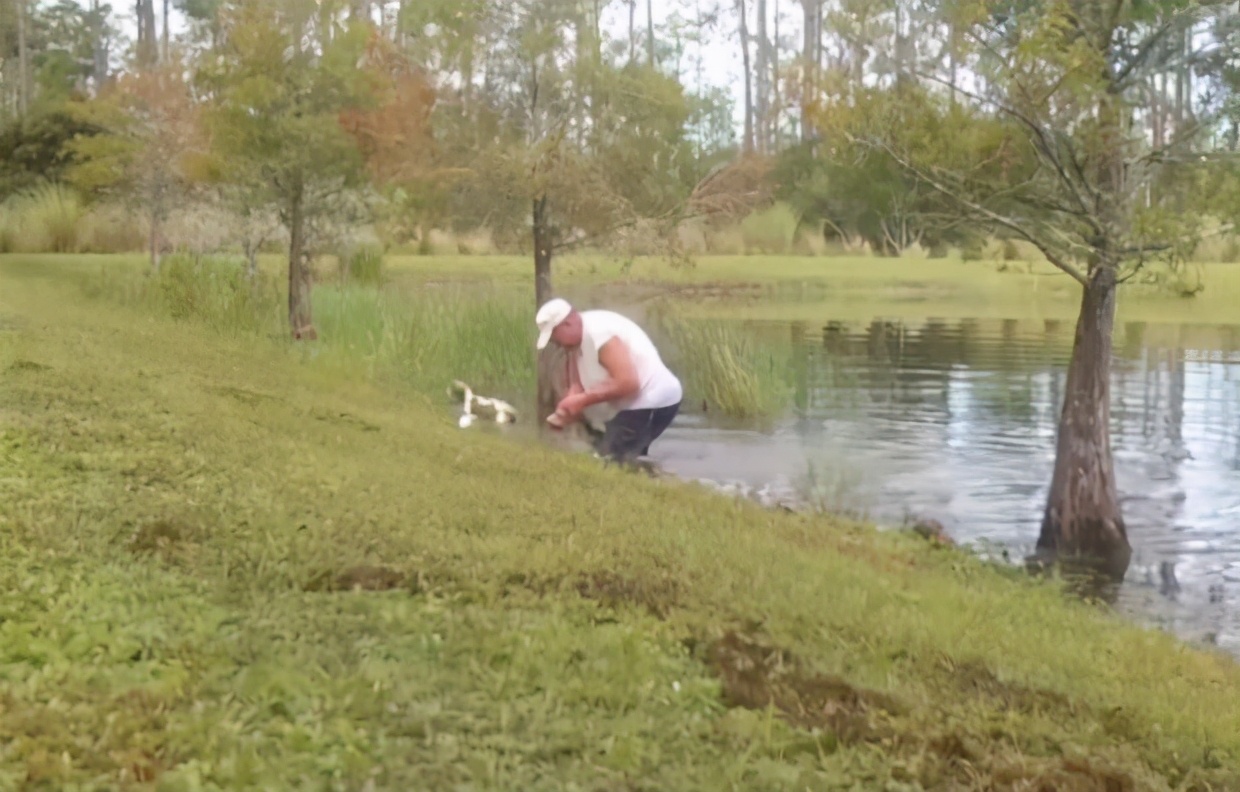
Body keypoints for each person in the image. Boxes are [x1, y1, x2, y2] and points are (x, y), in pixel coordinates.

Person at [535, 297, 682, 463]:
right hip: (627, 406)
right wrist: (569, 405)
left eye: (554, 335)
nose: (556, 343)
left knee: (612, 461)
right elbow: (576, 383)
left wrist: (581, 401)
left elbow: (629, 383)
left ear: (567, 323)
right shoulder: (575, 339)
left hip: (651, 400)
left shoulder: (600, 334)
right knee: (618, 457)